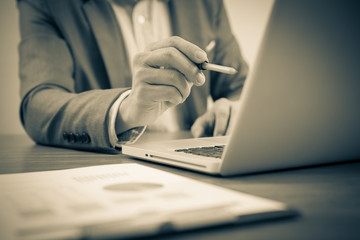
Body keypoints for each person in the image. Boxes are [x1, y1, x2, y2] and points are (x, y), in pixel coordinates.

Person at [17, 0, 248, 152]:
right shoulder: (49, 5)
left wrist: (232, 110)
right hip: (107, 171)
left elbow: (240, 87)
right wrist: (125, 110)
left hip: (197, 167)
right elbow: (38, 106)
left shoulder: (205, 4)